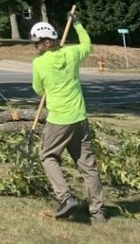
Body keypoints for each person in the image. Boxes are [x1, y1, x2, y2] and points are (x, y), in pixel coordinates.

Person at [31, 16, 106, 222]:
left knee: (47, 156)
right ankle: (98, 212)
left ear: (47, 42)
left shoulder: (39, 64)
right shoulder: (72, 54)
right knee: (87, 165)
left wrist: (48, 89)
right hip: (79, 118)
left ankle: (66, 198)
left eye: (37, 42)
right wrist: (77, 24)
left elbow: (38, 89)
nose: (35, 47)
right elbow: (87, 45)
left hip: (58, 120)